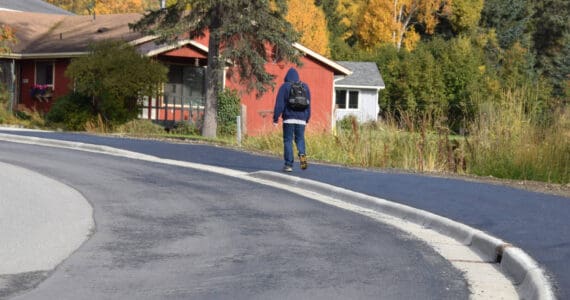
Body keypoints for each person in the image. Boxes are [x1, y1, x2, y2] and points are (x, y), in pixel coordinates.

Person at [273, 67, 311, 172]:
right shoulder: (305, 87)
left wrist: (275, 119)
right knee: (300, 139)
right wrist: (307, 118)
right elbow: (308, 105)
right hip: (302, 119)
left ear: (287, 77)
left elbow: (279, 104)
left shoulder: (285, 87)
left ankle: (289, 165)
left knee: (288, 141)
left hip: (288, 119)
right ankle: (303, 160)